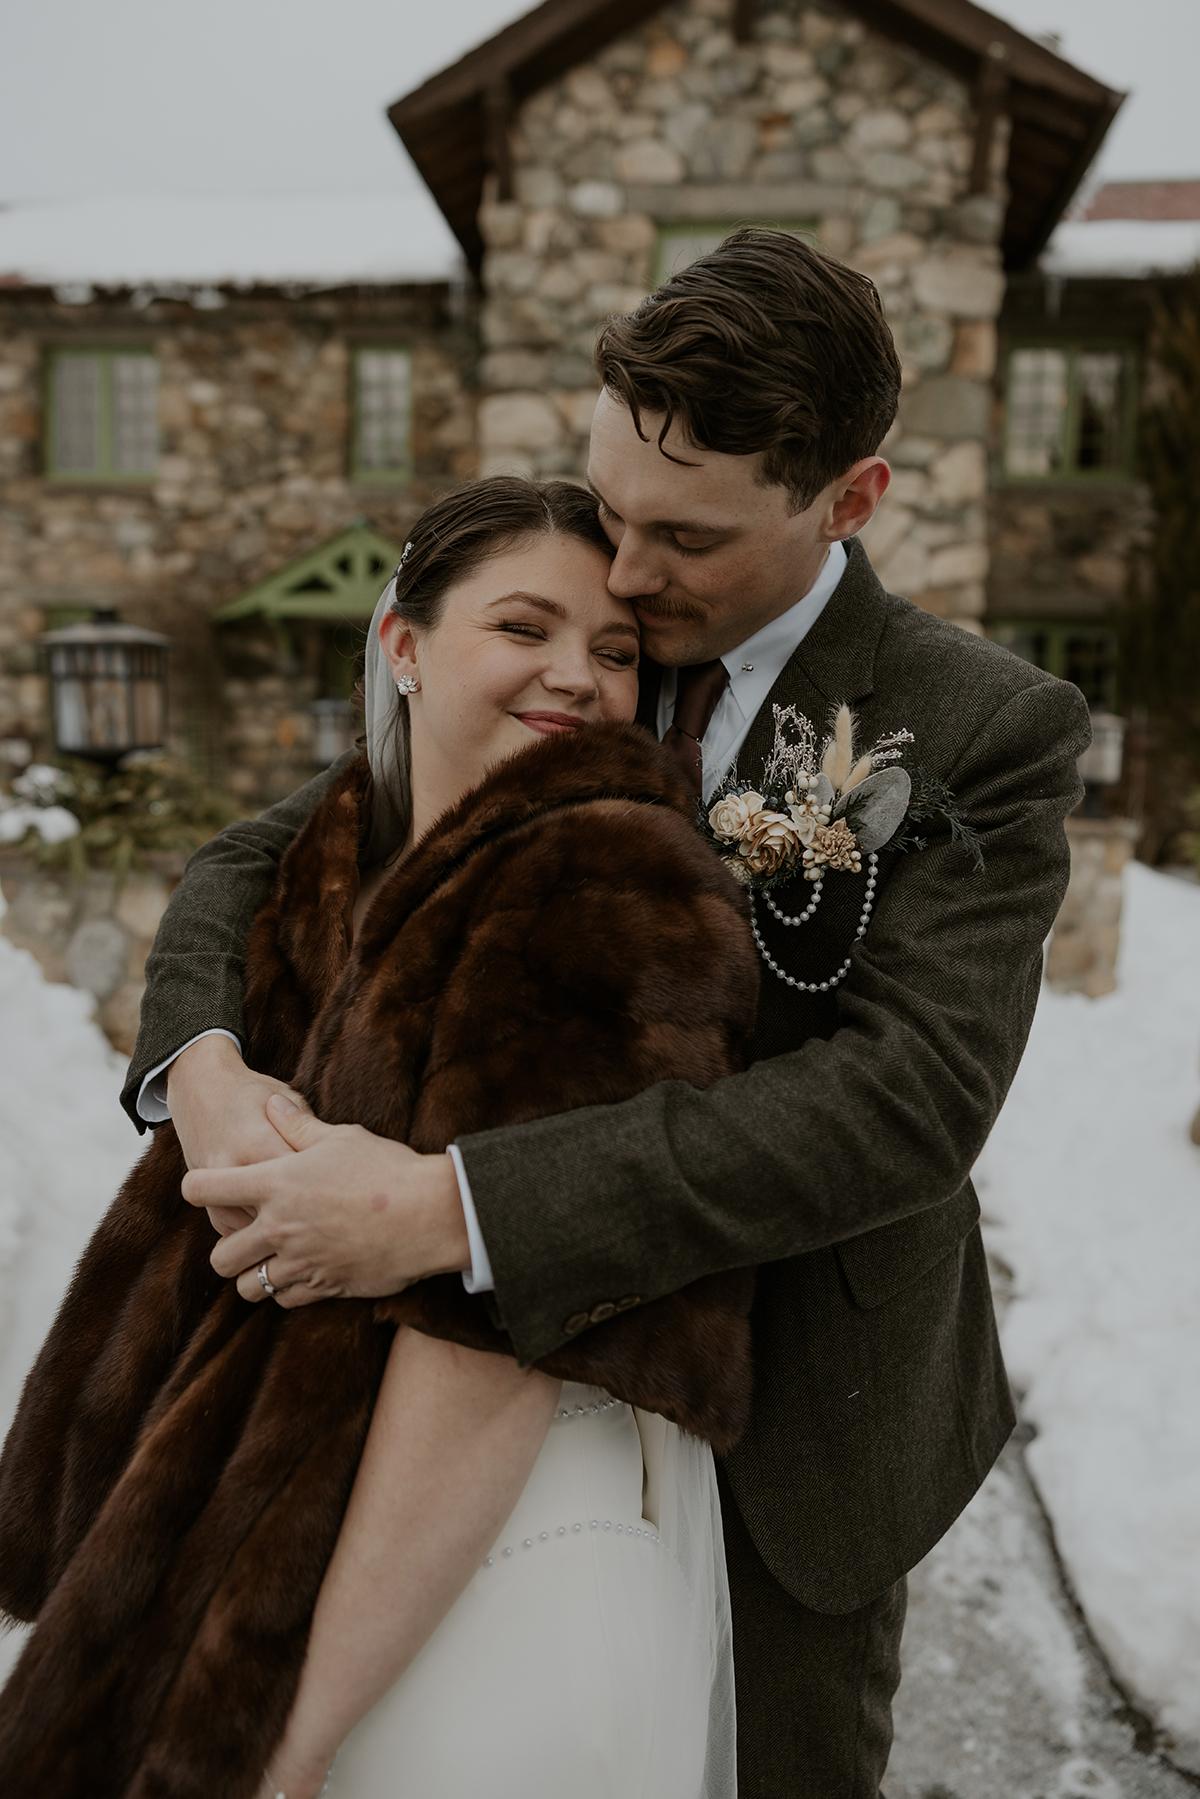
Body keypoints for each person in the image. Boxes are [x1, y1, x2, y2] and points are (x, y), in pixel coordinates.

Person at [123, 228, 1090, 1797]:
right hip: (466, 1382)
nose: (626, 575)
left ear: (851, 499)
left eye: (686, 541)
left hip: (793, 1419)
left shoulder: (983, 724)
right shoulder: (583, 631)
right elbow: (268, 849)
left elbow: (904, 1101)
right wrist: (203, 1063)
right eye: (615, 510)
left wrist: (454, 1207)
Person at [0, 480, 759, 1799]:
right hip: (293, 1494)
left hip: (488, 1559)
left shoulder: (603, 880)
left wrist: (276, 1739)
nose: (577, 677)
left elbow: (496, 1347)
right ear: (402, 646)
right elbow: (230, 871)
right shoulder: (350, 849)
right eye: (524, 628)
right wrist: (206, 1068)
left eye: (618, 651)